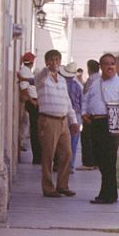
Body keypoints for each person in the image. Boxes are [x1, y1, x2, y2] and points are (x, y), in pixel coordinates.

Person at [81, 53, 119, 204]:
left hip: (113, 121)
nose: (110, 66)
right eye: (106, 64)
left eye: (112, 63)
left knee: (109, 159)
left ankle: (108, 195)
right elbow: (86, 99)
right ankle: (108, 192)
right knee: (99, 158)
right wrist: (84, 113)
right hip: (95, 123)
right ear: (101, 66)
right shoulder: (95, 83)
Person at [34, 49, 79, 198]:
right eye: (51, 60)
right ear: (46, 62)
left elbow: (68, 102)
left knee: (66, 153)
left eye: (57, 60)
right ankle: (48, 188)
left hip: (62, 121)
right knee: (48, 155)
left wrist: (73, 121)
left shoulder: (62, 80)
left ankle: (62, 185)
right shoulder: (41, 77)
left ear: (60, 62)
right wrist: (48, 70)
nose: (55, 63)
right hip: (48, 120)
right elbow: (41, 76)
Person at [59, 61, 83, 174]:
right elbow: (82, 103)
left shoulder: (60, 84)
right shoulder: (78, 86)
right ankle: (70, 166)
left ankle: (61, 164)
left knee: (61, 141)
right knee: (73, 142)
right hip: (76, 115)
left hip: (63, 113)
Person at [77, 59, 101, 171]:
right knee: (96, 138)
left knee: (86, 138)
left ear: (89, 68)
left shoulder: (91, 79)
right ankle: (96, 161)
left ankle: (88, 162)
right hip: (99, 113)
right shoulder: (100, 78)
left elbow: (86, 96)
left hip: (90, 113)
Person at [18, 52, 41, 164]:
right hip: (33, 103)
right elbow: (24, 89)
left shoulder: (26, 72)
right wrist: (32, 101)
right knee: (35, 130)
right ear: (32, 62)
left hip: (34, 102)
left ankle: (38, 156)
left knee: (36, 130)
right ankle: (37, 157)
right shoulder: (25, 72)